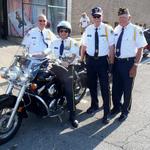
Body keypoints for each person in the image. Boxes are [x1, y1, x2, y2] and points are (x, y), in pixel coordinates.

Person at [111, 8, 147, 122]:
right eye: (120, 17)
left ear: (129, 18)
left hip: (129, 63)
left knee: (127, 89)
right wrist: (111, 62)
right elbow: (112, 47)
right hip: (117, 62)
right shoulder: (116, 29)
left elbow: (141, 48)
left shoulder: (136, 30)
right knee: (116, 88)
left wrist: (135, 65)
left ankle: (125, 111)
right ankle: (116, 107)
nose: (122, 19)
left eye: (124, 17)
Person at [80, 6, 115, 124]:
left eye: (98, 16)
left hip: (102, 62)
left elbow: (111, 47)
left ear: (102, 16)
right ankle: (94, 105)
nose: (96, 18)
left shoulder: (107, 29)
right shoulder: (88, 29)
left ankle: (107, 112)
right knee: (92, 85)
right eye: (94, 16)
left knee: (105, 87)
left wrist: (111, 62)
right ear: (92, 17)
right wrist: (81, 59)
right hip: (90, 61)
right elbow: (84, 46)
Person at [44, 21, 79, 128]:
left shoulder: (73, 42)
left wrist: (67, 62)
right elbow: (46, 52)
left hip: (68, 69)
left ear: (68, 32)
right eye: (61, 31)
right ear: (58, 32)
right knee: (42, 81)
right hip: (55, 67)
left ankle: (72, 116)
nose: (63, 33)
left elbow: (73, 56)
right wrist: (32, 55)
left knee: (69, 91)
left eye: (65, 31)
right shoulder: (54, 42)